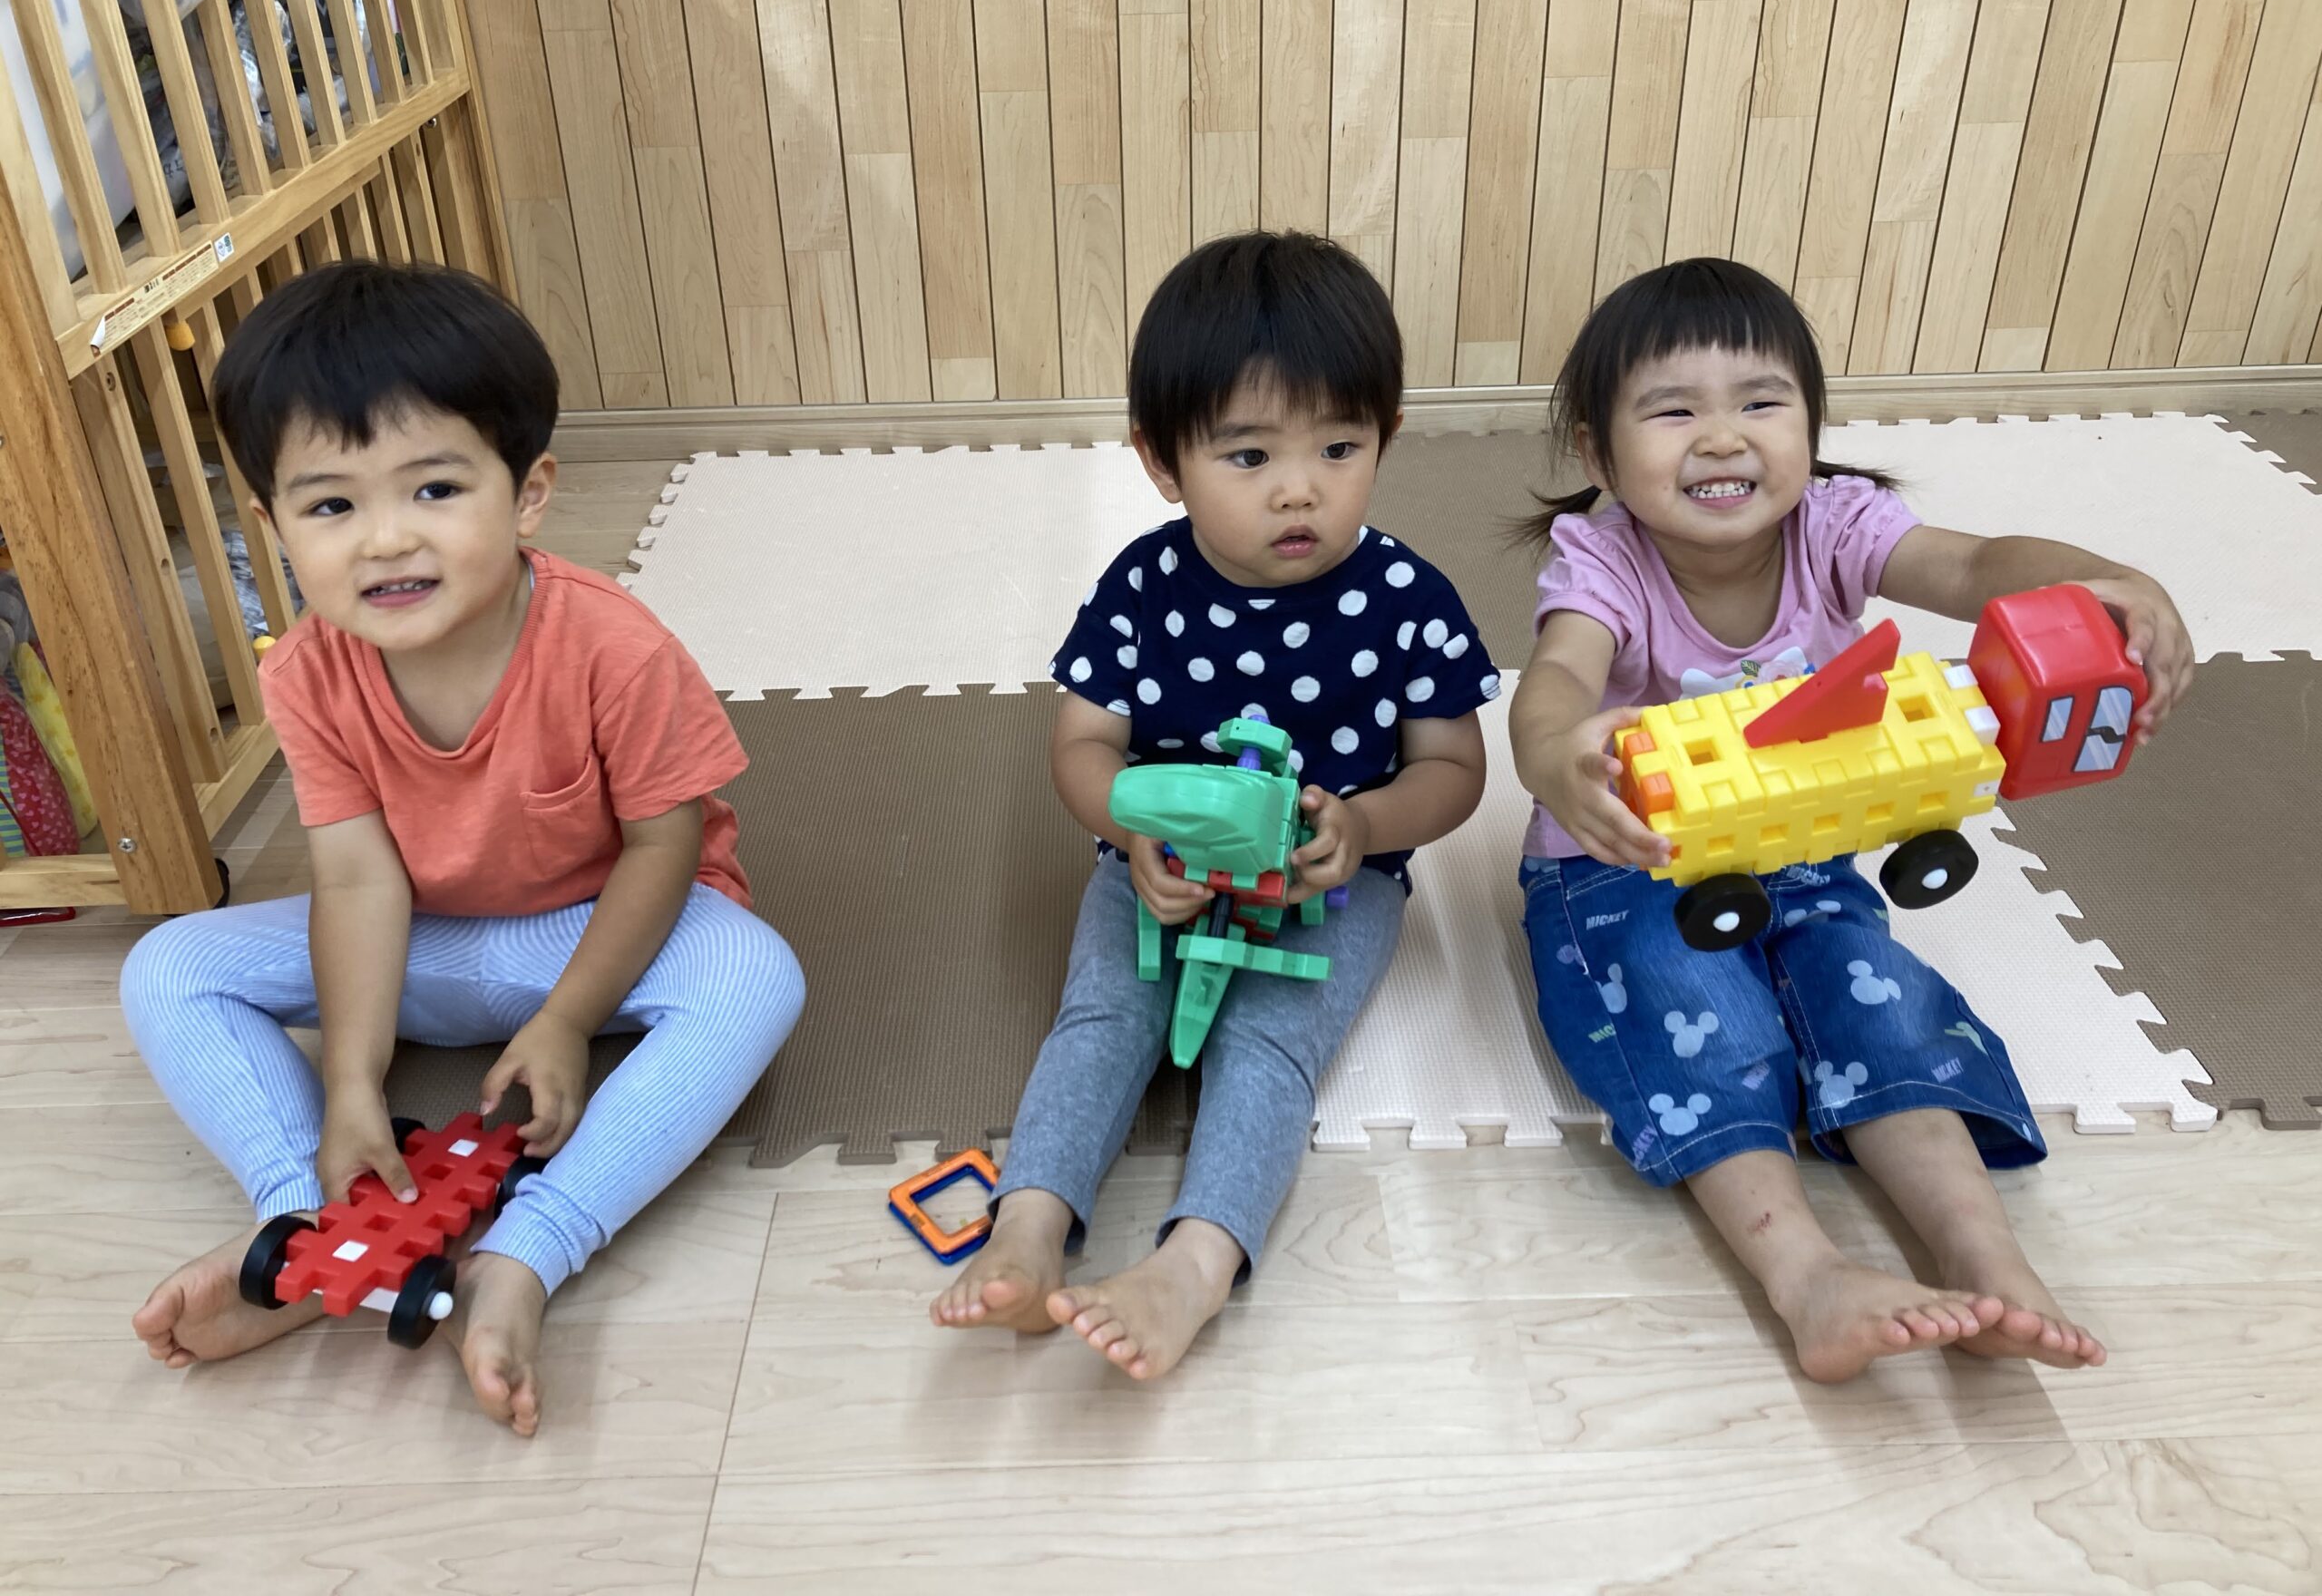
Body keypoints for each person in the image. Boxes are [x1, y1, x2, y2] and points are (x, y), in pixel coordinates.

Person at [121, 262, 805, 1434]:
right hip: (426, 943)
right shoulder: (307, 672)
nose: (386, 540)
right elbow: (354, 877)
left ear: (527, 493)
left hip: (593, 935)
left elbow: (664, 846)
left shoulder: (614, 647)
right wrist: (349, 1084)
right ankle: (310, 1230)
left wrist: (568, 1021)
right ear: (270, 526)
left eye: (434, 489)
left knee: (757, 976)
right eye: (330, 507)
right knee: (167, 966)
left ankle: (522, 1258)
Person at [1509, 257, 2195, 1382]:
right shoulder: (1605, 558)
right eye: (1673, 412)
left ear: (1812, 426)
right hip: (1627, 864)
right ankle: (1808, 1279)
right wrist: (1552, 752)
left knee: (1884, 1006)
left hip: (1797, 856)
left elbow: (1975, 565)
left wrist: (2105, 577)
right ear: (1598, 454)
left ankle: (1989, 1262)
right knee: (1704, 1024)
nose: (1721, 438)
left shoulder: (1835, 525)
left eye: (1761, 403)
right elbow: (1555, 679)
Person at [932, 231, 1497, 1378]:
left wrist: (1366, 829)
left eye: (1339, 447)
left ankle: (1193, 1264)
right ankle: (1027, 1228)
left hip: (1333, 882)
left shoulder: (1406, 596)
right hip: (1159, 869)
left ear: (1385, 437)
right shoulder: (1143, 588)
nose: (1299, 488)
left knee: (1268, 1045)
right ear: (1162, 460)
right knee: (1103, 1018)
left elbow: (1453, 769)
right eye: (1247, 455)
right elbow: (1084, 744)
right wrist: (1129, 833)